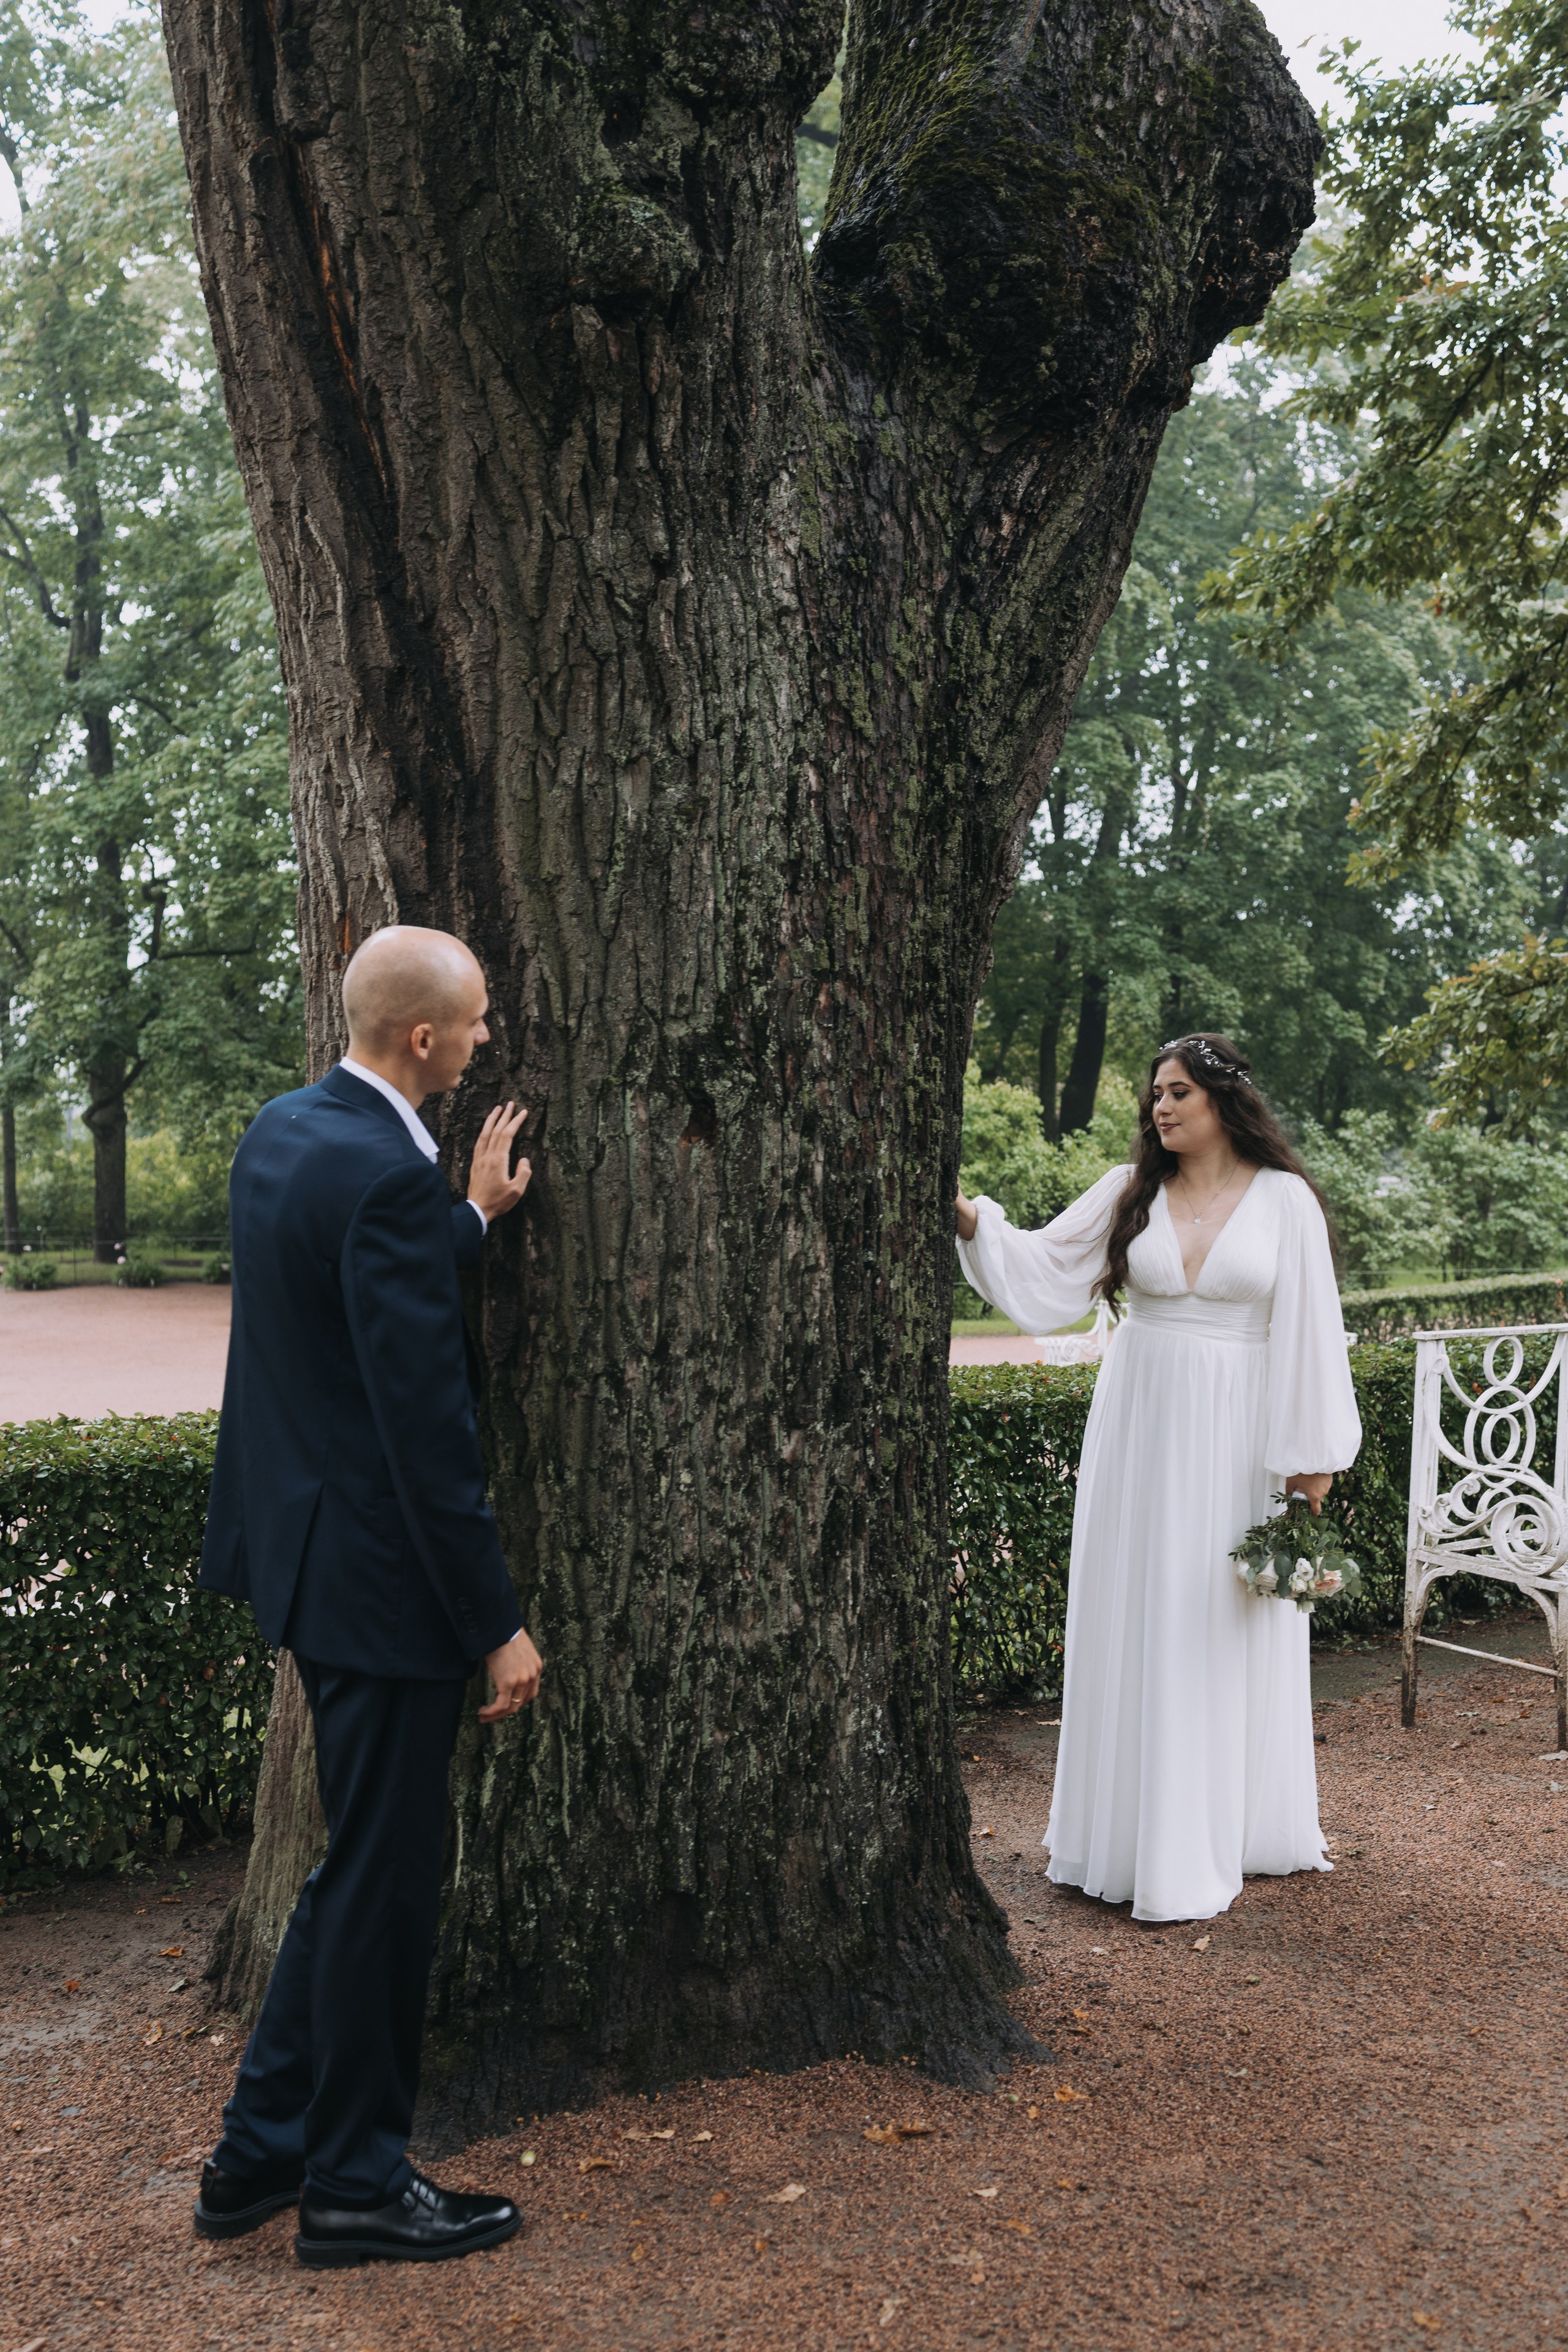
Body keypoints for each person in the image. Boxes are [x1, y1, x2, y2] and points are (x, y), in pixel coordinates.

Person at [192, 925, 545, 2266]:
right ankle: (351, 2184)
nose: (486, 1036)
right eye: (475, 1022)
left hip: (303, 1561)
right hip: (382, 1584)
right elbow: (423, 1426)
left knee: (351, 1877)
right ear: (422, 1041)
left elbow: (345, 1296)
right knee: (386, 1887)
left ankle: (255, 2158)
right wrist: (493, 1620)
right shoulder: (381, 1178)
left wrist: (466, 1219)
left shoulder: (288, 1133)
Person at [955, 1034, 1360, 1924]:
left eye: (1178, 1092)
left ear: (1224, 1101)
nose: (1161, 1108)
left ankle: (1226, 1829)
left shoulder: (1286, 1201)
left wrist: (1309, 1475)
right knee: (1141, 1612)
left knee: (1216, 1622)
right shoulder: (1128, 1189)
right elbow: (1046, 1268)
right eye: (1156, 1095)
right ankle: (1127, 1837)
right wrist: (967, 1216)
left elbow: (1310, 1333)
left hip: (1237, 1436)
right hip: (1140, 1427)